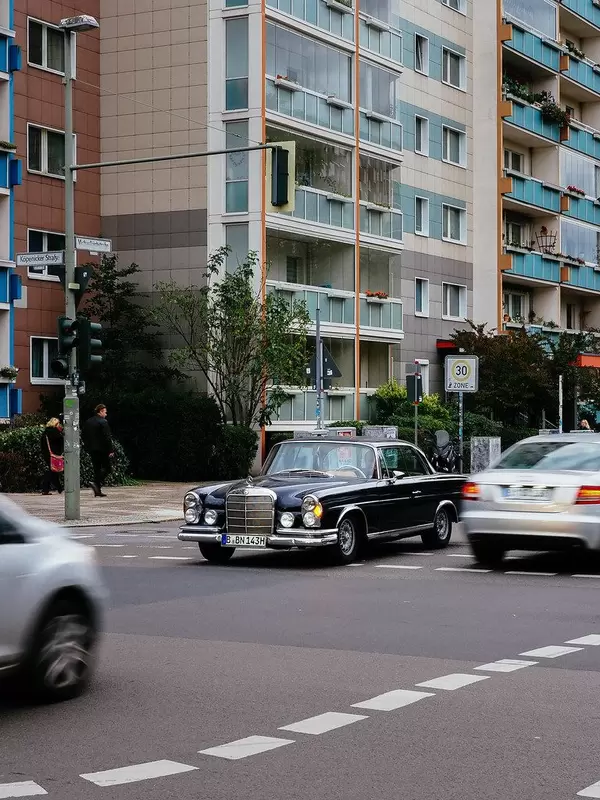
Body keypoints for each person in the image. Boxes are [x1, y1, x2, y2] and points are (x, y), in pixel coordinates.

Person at [82, 404, 114, 497]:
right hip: (102, 449)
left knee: (97, 469)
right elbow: (107, 437)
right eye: (105, 412)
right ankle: (96, 483)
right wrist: (110, 450)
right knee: (107, 468)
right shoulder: (103, 422)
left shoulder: (88, 422)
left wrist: (87, 446)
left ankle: (98, 490)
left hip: (92, 449)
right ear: (100, 411)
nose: (106, 414)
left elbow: (84, 435)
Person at [40, 417, 64, 495]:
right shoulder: (55, 432)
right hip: (54, 455)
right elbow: (61, 441)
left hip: (47, 454)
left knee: (54, 471)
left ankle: (59, 488)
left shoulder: (46, 432)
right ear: (56, 424)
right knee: (52, 471)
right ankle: (45, 488)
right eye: (58, 423)